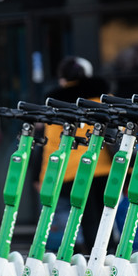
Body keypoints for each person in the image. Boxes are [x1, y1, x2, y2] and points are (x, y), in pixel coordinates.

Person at [37, 56, 115, 253]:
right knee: (108, 217)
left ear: (62, 78)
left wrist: (44, 178)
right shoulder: (104, 98)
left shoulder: (57, 105)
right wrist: (129, 169)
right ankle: (111, 261)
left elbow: (52, 144)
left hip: (73, 171)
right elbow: (119, 136)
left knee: (88, 220)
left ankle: (93, 263)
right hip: (105, 168)